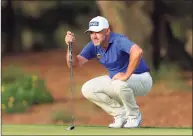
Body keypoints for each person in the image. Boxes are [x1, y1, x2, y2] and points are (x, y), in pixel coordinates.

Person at [65, 16, 153, 128]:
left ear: (107, 31)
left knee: (119, 84)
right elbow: (74, 64)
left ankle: (134, 116)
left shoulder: (118, 40)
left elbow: (137, 51)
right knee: (88, 88)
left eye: (98, 32)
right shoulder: (94, 45)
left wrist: (126, 75)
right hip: (118, 81)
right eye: (91, 32)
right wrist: (70, 46)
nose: (94, 36)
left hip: (142, 79)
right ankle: (121, 115)